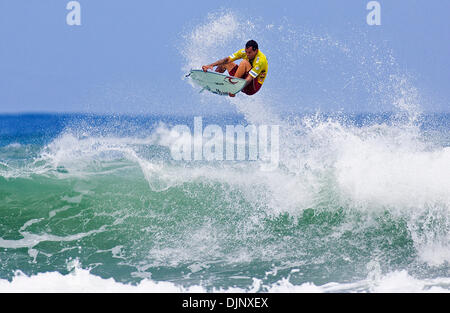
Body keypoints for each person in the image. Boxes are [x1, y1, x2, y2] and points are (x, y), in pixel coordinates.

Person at [202, 40, 268, 97]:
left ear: (256, 51)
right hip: (240, 82)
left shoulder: (261, 60)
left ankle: (231, 85)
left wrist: (234, 90)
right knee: (226, 62)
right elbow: (227, 59)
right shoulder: (244, 52)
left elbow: (249, 79)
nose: (247, 54)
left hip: (252, 87)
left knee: (244, 62)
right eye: (246, 52)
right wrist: (210, 65)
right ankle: (214, 80)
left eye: (249, 53)